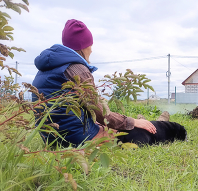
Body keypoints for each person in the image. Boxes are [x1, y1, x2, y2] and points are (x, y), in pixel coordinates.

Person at [32, 19, 156, 147]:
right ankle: (153, 123)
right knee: (126, 133)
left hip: (50, 138)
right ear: (83, 46)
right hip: (76, 139)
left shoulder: (45, 69)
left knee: (102, 124)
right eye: (90, 45)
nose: (91, 50)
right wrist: (132, 121)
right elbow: (102, 114)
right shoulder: (78, 69)